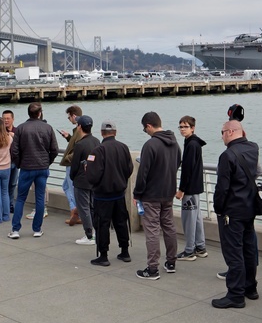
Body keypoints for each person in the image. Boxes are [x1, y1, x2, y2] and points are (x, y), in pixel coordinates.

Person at [211, 119, 261, 307]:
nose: (222, 136)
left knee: (234, 253)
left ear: (231, 132)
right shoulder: (253, 148)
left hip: (232, 211)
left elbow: (222, 188)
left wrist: (218, 208)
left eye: (222, 132)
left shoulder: (227, 156)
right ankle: (251, 287)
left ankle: (235, 294)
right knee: (249, 249)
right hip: (249, 208)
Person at [132, 111, 181, 280]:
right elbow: (177, 164)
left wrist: (137, 194)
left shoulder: (150, 145)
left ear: (149, 126)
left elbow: (143, 173)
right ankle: (171, 262)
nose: (146, 132)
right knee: (169, 227)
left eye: (145, 129)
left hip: (151, 195)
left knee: (152, 230)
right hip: (168, 192)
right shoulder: (175, 143)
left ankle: (152, 269)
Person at [85, 120, 133, 266]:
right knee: (121, 222)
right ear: (115, 132)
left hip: (102, 196)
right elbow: (129, 169)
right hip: (119, 193)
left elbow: (93, 176)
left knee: (102, 224)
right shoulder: (124, 147)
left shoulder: (97, 151)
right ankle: (125, 251)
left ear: (101, 133)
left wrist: (88, 170)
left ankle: (103, 255)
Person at [7, 102, 58, 239]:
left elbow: (15, 150)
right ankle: (37, 229)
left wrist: (19, 164)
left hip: (26, 167)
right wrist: (48, 162)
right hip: (42, 167)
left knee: (21, 198)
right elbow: (54, 149)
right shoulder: (47, 128)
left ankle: (15, 229)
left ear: (28, 113)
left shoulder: (21, 128)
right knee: (40, 198)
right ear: (40, 113)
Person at [176, 115, 208, 261]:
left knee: (188, 220)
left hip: (190, 189)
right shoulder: (192, 143)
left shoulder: (191, 145)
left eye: (185, 126)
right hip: (196, 187)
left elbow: (187, 169)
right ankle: (200, 247)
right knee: (196, 218)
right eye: (181, 127)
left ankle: (189, 250)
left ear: (192, 128)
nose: (182, 129)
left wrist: (181, 189)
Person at [69, 115, 100, 245]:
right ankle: (97, 233)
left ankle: (89, 235)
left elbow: (75, 166)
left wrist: (73, 177)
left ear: (79, 126)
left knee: (84, 208)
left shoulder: (80, 144)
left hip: (81, 181)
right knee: (93, 207)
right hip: (94, 180)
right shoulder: (97, 141)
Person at [58, 105, 84, 225]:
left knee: (70, 188)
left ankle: (75, 213)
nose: (69, 119)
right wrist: (68, 137)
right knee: (67, 186)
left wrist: (68, 157)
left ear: (74, 116)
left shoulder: (79, 130)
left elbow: (78, 148)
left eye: (69, 117)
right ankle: (74, 211)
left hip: (72, 164)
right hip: (74, 164)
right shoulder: (78, 130)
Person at [1, 109, 19, 214]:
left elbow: (22, 144)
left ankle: (10, 204)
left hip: (15, 162)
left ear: (12, 119)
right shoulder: (0, 132)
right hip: (4, 163)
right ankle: (0, 206)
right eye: (4, 119)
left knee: (12, 184)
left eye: (8, 118)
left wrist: (14, 137)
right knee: (3, 186)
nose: (6, 121)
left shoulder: (17, 131)